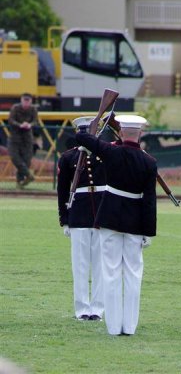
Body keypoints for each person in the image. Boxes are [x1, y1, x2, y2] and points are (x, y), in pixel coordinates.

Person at [75, 114, 157, 336]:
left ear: (121, 133)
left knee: (110, 272)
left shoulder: (111, 151)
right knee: (132, 274)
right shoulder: (149, 161)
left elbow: (83, 138)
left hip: (110, 216)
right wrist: (149, 232)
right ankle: (128, 327)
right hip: (135, 221)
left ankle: (113, 327)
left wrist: (93, 126)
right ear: (140, 134)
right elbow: (149, 200)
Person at [57, 116, 104, 321]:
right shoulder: (68, 158)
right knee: (80, 265)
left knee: (101, 265)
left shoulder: (107, 154)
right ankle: (82, 309)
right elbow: (62, 191)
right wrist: (64, 219)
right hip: (78, 214)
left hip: (102, 213)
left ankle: (98, 309)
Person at [8, 93, 38, 189]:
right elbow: (11, 120)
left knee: (26, 159)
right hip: (15, 137)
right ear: (21, 100)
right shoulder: (15, 108)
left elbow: (35, 121)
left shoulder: (33, 109)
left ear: (30, 101)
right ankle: (28, 175)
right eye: (24, 100)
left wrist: (29, 125)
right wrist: (20, 125)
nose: (26, 103)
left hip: (27, 138)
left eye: (28, 101)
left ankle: (20, 182)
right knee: (15, 157)